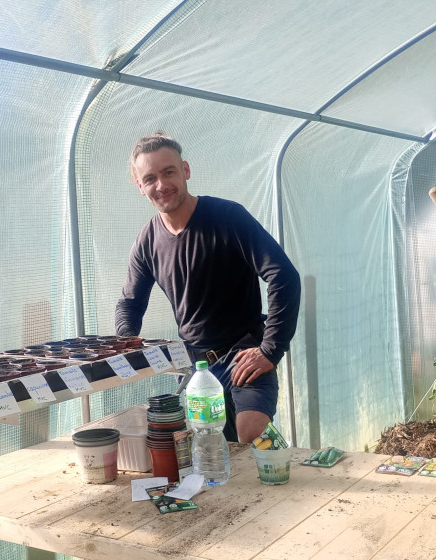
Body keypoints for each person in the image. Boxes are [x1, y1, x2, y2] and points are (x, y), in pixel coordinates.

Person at [115, 131, 301, 443]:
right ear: (140, 187)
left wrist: (271, 350)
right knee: (210, 450)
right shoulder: (147, 241)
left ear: (185, 170)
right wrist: (126, 343)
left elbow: (283, 276)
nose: (161, 185)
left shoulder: (227, 217)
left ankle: (280, 472)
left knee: (251, 434)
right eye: (150, 178)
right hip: (197, 367)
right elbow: (129, 303)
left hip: (245, 353)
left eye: (169, 172)